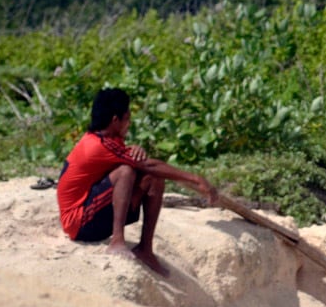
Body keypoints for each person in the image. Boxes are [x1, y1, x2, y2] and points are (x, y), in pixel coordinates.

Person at [57, 87, 217, 276]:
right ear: (115, 120)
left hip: (91, 213)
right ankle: (117, 241)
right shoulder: (95, 145)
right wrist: (196, 179)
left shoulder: (107, 139)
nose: (129, 124)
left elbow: (141, 165)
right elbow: (146, 165)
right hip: (79, 222)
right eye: (127, 119)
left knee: (154, 179)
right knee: (126, 172)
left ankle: (145, 249)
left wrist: (135, 148)